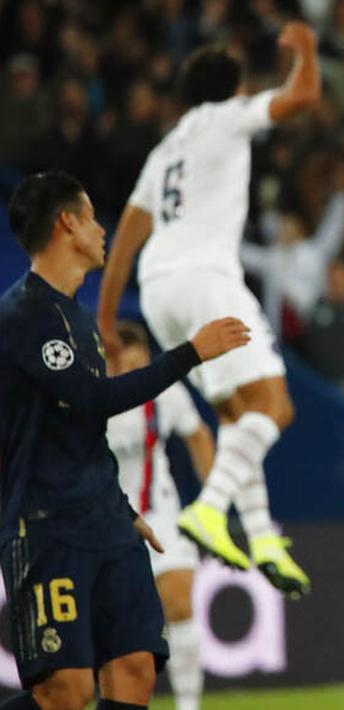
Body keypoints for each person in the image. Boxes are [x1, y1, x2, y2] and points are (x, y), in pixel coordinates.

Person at [0, 171, 248, 710]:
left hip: (106, 522)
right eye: (90, 215)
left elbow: (82, 432)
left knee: (135, 668)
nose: (101, 228)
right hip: (46, 526)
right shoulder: (24, 316)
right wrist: (188, 354)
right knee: (65, 692)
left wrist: (116, 504)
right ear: (67, 223)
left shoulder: (80, 320)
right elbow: (93, 400)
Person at [96, 21, 322, 596]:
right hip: (205, 276)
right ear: (234, 86)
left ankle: (262, 537)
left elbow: (126, 232)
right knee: (275, 407)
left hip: (157, 288)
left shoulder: (165, 149)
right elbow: (303, 97)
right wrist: (306, 50)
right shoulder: (228, 116)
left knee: (235, 413)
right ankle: (210, 509)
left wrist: (104, 315)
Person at [106, 321, 213, 710]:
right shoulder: (91, 398)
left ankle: (188, 705)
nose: (136, 373)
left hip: (160, 510)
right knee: (112, 630)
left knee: (180, 601)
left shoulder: (165, 394)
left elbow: (198, 435)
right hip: (107, 521)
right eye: (126, 364)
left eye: (141, 363)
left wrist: (214, 502)